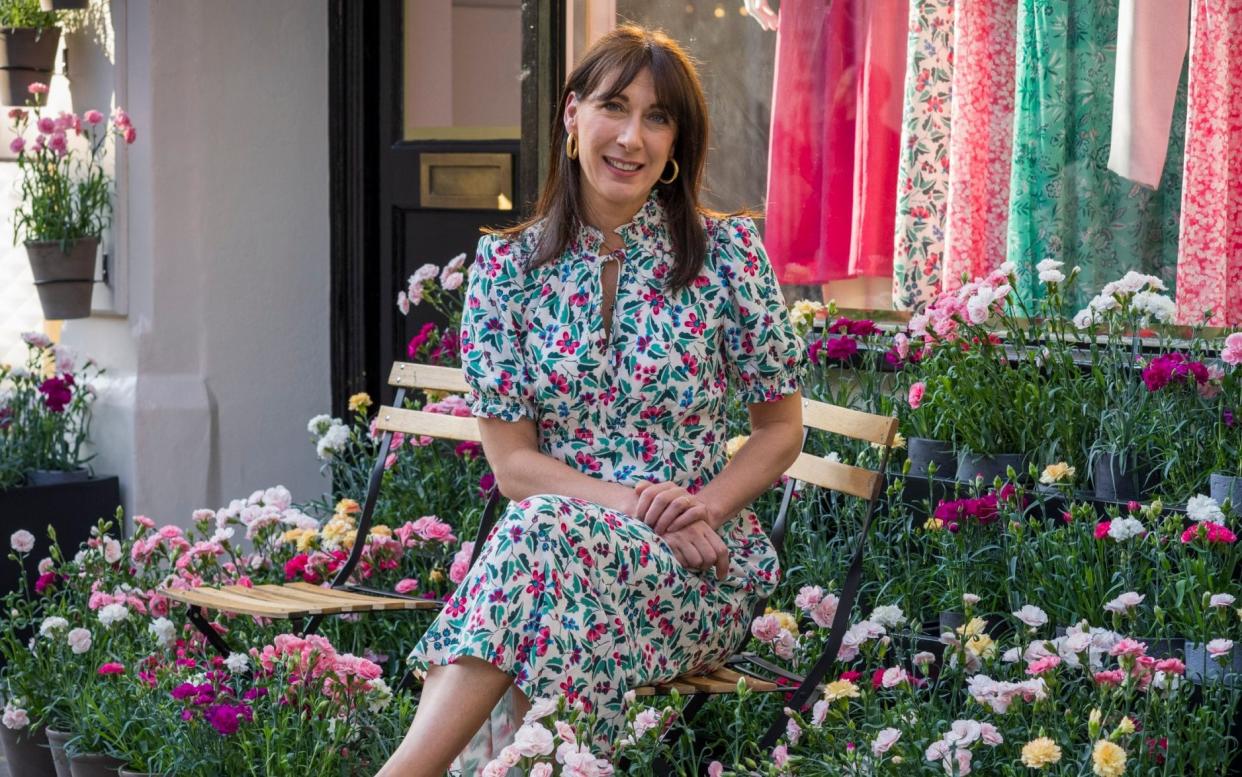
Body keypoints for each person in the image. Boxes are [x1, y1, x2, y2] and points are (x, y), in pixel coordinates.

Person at [376, 25, 806, 776]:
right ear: (571, 115)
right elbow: (514, 467)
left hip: (692, 570)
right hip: (558, 559)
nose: (632, 138)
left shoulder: (727, 255)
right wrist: (636, 506)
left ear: (676, 144)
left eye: (658, 118)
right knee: (544, 546)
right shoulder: (507, 268)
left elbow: (780, 428)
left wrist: (701, 509)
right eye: (615, 107)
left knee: (532, 552)